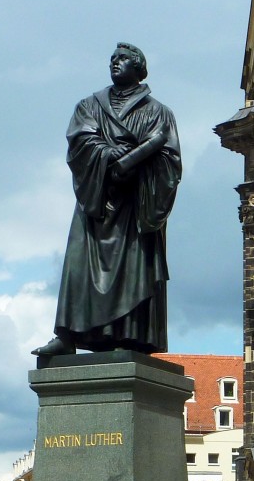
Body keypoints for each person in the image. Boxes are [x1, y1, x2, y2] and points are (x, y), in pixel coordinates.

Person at [33, 42, 181, 357]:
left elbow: (170, 160)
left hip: (135, 204)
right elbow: (79, 142)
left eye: (123, 58)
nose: (115, 62)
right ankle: (68, 334)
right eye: (112, 58)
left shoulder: (158, 112)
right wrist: (108, 154)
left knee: (133, 266)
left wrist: (138, 164)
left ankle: (128, 333)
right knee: (78, 263)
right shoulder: (89, 105)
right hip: (97, 199)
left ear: (139, 67)